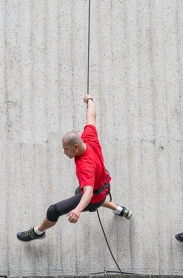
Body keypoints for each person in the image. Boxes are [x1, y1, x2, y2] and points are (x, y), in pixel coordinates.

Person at [16, 94, 132, 242]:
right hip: (104, 185)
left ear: (76, 147)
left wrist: (77, 210)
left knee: (54, 210)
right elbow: (91, 116)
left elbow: (89, 192)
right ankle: (120, 210)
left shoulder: (85, 166)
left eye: (66, 149)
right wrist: (89, 99)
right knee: (80, 192)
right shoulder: (89, 138)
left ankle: (38, 232)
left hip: (95, 195)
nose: (64, 152)